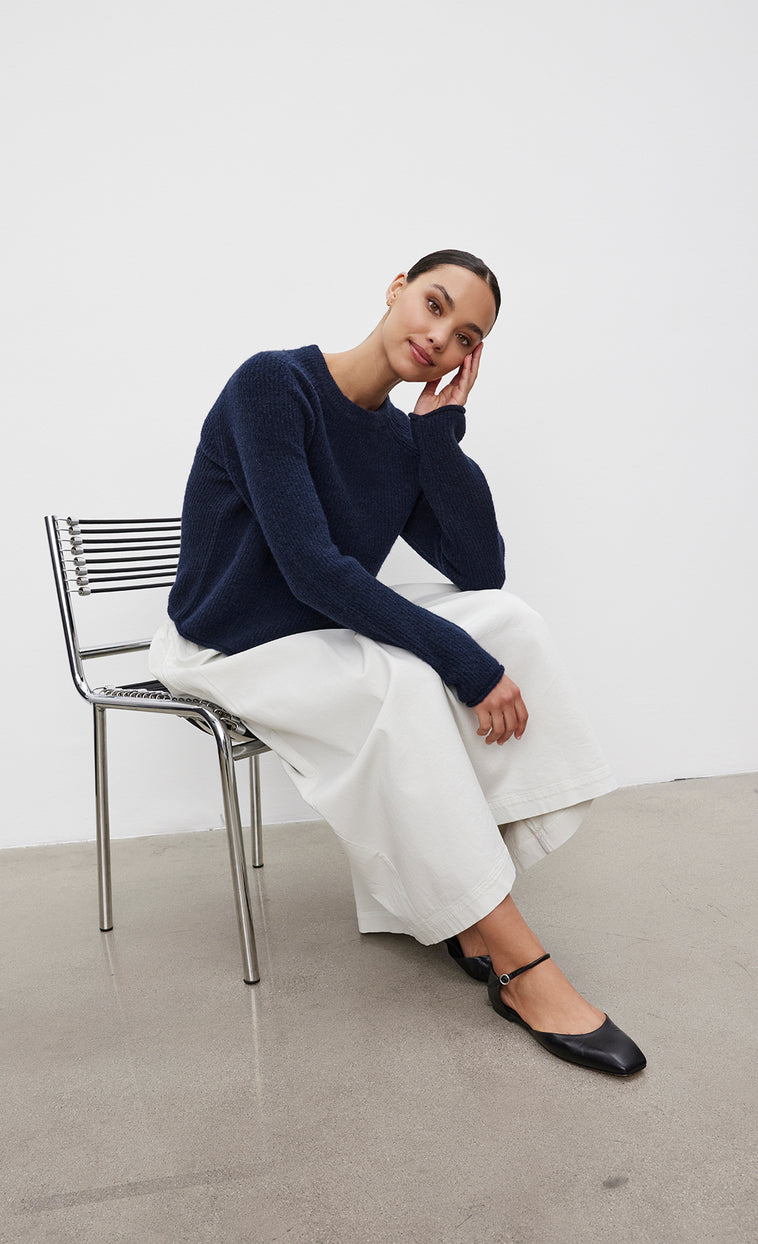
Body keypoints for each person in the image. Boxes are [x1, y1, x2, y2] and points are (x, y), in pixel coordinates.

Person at [150, 248, 646, 1076]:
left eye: (465, 335)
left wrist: (437, 435)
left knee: (508, 622)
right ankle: (518, 960)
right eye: (434, 303)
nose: (439, 335)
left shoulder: (397, 436)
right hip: (235, 637)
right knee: (417, 679)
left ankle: (463, 900)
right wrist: (458, 661)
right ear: (394, 289)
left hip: (318, 623)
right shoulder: (273, 386)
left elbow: (479, 569)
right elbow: (310, 565)